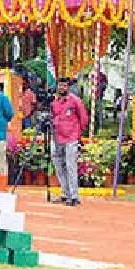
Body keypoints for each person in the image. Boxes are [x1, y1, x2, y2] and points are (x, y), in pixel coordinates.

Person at [50, 77, 86, 206]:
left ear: (68, 87)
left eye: (64, 86)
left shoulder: (75, 101)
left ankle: (74, 196)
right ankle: (65, 193)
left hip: (71, 137)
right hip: (57, 138)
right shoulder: (54, 102)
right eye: (60, 85)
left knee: (71, 166)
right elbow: (52, 117)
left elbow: (83, 119)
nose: (62, 88)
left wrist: (77, 135)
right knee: (59, 166)